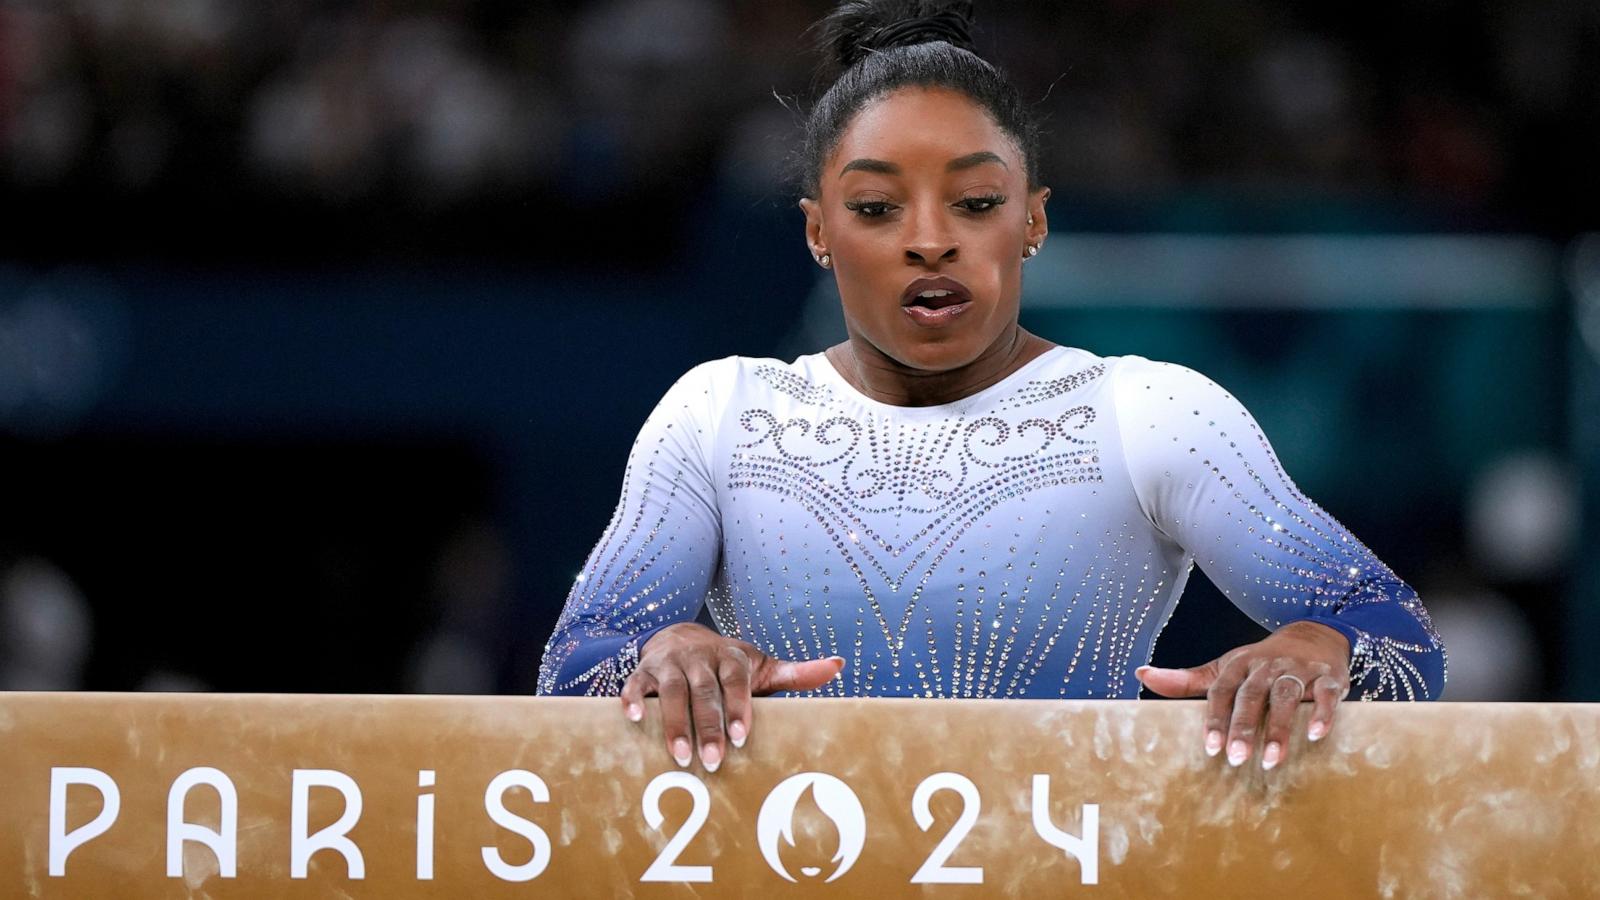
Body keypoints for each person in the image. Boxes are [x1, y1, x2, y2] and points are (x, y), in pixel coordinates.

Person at [536, 0, 1446, 775]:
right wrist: (661, 650)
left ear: (1032, 220)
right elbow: (572, 672)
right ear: (817, 232)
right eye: (876, 207)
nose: (930, 240)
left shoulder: (1149, 414)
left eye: (974, 203)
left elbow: (1404, 646)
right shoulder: (723, 414)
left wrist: (1316, 647)